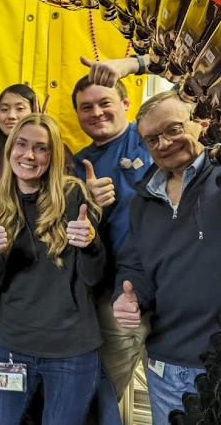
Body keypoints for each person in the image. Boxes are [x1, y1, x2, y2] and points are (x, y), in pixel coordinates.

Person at [112, 91, 221, 423]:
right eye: (152, 139)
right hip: (168, 364)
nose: (165, 143)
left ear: (198, 124)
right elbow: (135, 265)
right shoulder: (143, 201)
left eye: (173, 129)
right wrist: (128, 298)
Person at [0, 113, 106, 424]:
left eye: (42, 148)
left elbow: (93, 276)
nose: (30, 155)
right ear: (10, 150)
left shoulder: (73, 194)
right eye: (22, 144)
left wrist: (90, 243)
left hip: (71, 348)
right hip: (14, 345)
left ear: (53, 155)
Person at [71, 69, 153, 420]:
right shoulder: (80, 163)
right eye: (86, 107)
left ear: (125, 102)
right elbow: (79, 236)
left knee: (177, 394)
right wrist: (91, 208)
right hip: (114, 296)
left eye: (105, 103)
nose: (96, 113)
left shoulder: (153, 136)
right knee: (102, 393)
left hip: (173, 292)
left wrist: (134, 62)